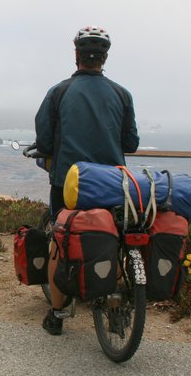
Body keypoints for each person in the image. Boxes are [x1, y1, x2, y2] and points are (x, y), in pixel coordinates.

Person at [34, 26, 139, 335]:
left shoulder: (59, 92)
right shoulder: (122, 94)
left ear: (76, 55)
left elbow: (45, 141)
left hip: (70, 184)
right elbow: (130, 143)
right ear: (104, 58)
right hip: (113, 183)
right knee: (115, 237)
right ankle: (114, 301)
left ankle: (57, 314)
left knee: (59, 241)